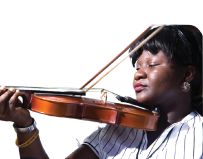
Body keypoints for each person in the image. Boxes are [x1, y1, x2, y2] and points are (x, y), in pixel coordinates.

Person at [0, 24, 202, 159]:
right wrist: (25, 125)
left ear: (187, 75)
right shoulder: (118, 128)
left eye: (152, 64)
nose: (138, 75)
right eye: (137, 68)